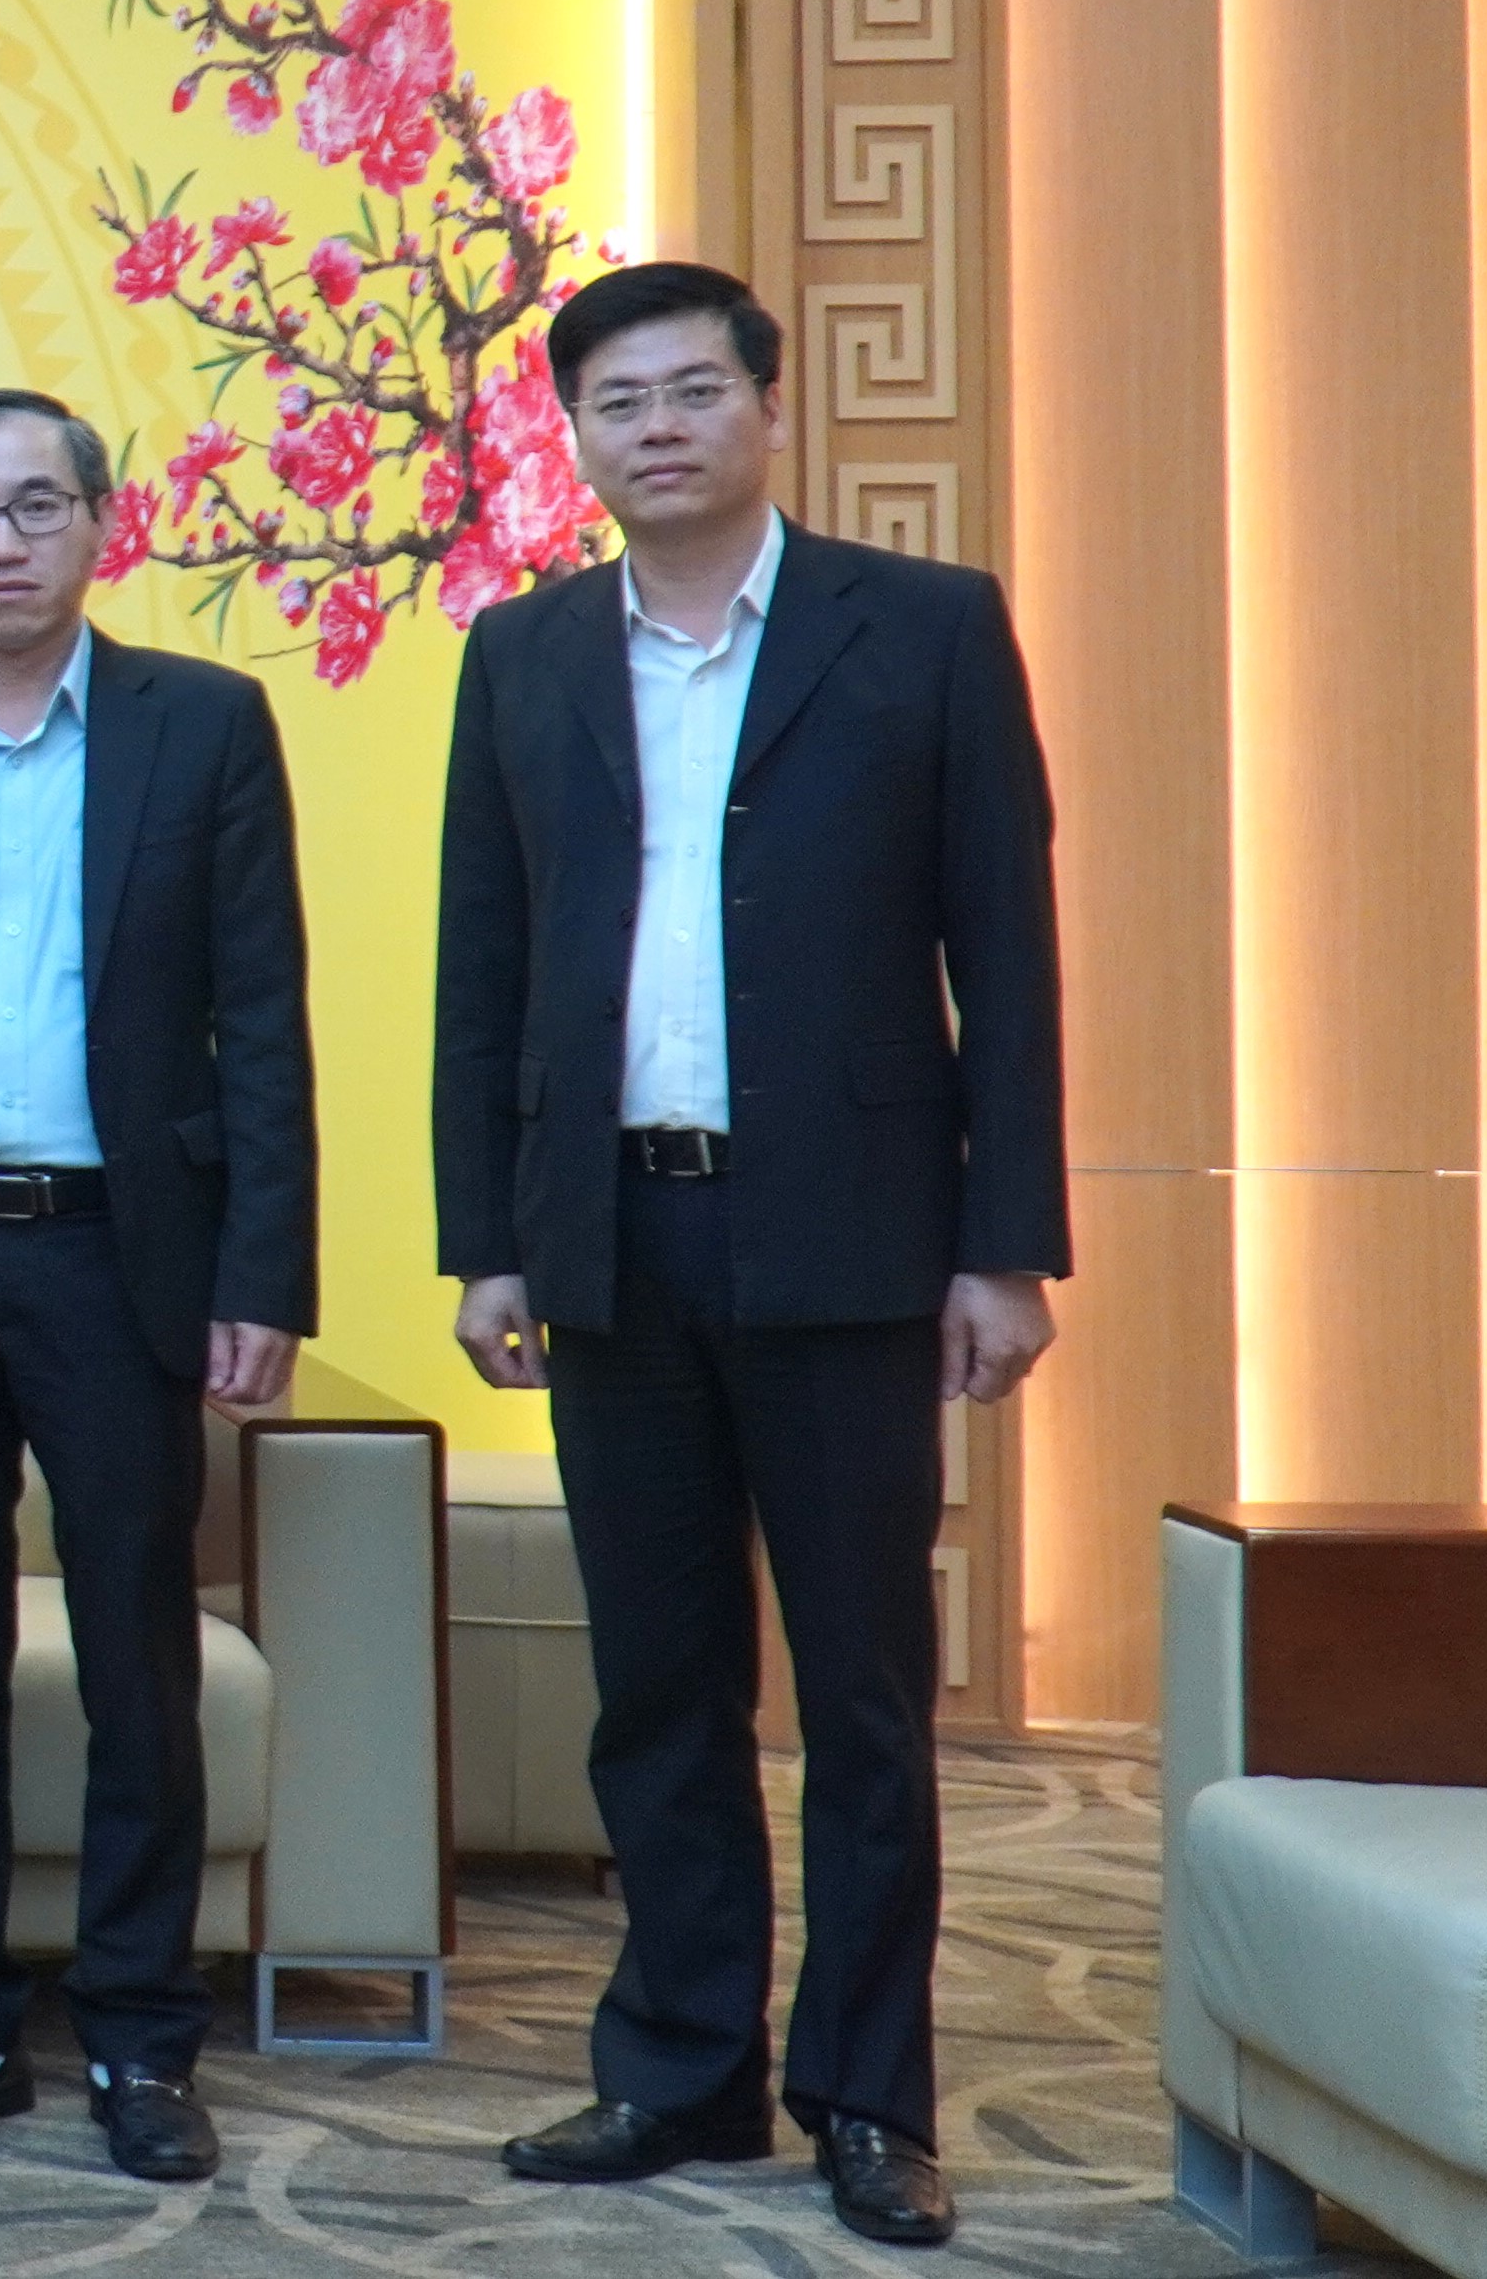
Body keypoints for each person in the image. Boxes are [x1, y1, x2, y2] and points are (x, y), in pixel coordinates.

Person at [440, 259, 1063, 2252]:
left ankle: (866, 2097)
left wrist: (1002, 1245)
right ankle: (677, 2064)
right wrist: (484, 1241)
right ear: (573, 436)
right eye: (615, 401)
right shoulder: (521, 653)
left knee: (863, 1695)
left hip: (849, 1238)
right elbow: (479, 970)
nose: (656, 427)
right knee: (654, 1686)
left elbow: (1004, 954)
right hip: (609, 1233)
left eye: (692, 389)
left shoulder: (922, 629)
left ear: (766, 410)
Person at [0, 391, 315, 2184]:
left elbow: (263, 1018)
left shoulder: (202, 724)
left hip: (118, 1255)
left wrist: (264, 1270)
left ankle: (140, 2037)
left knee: (135, 1662)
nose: (2, 539)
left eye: (36, 505)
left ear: (102, 522)